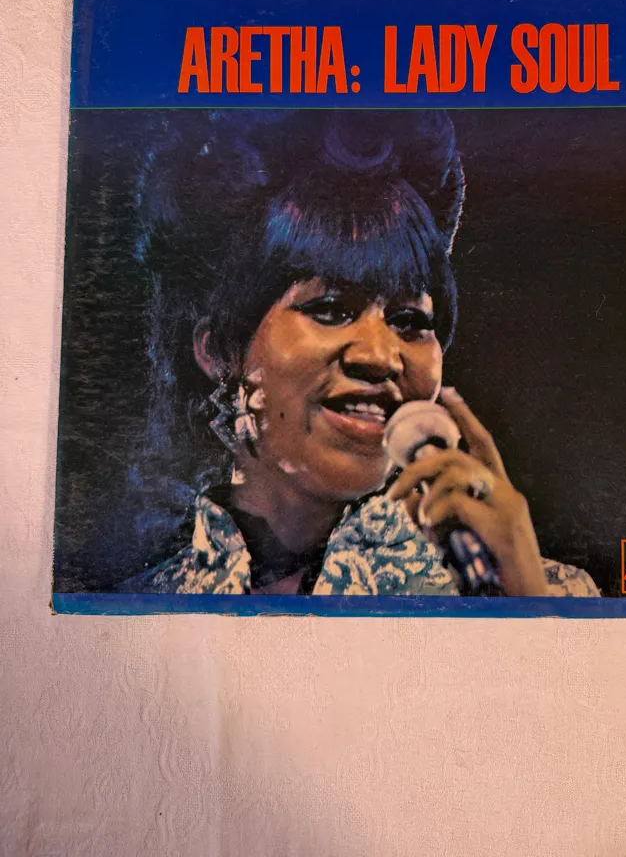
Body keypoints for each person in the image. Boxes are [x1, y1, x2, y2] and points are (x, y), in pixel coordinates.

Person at [125, 110, 599, 598]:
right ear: (220, 349)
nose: (381, 356)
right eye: (330, 309)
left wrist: (521, 605)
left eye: (410, 320)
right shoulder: (141, 606)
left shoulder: (544, 595)